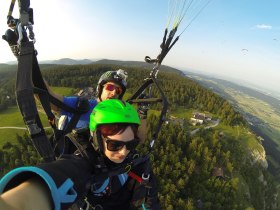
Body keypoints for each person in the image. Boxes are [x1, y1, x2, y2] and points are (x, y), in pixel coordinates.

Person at [0, 99, 160, 210]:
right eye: (115, 145)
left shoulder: (136, 165)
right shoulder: (83, 161)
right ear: (96, 138)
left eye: (130, 144)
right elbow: (63, 174)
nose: (124, 152)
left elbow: (149, 200)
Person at [46, 69, 128, 129]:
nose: (113, 93)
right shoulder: (82, 106)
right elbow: (50, 98)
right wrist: (34, 70)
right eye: (110, 87)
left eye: (118, 90)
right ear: (100, 89)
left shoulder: (119, 116)